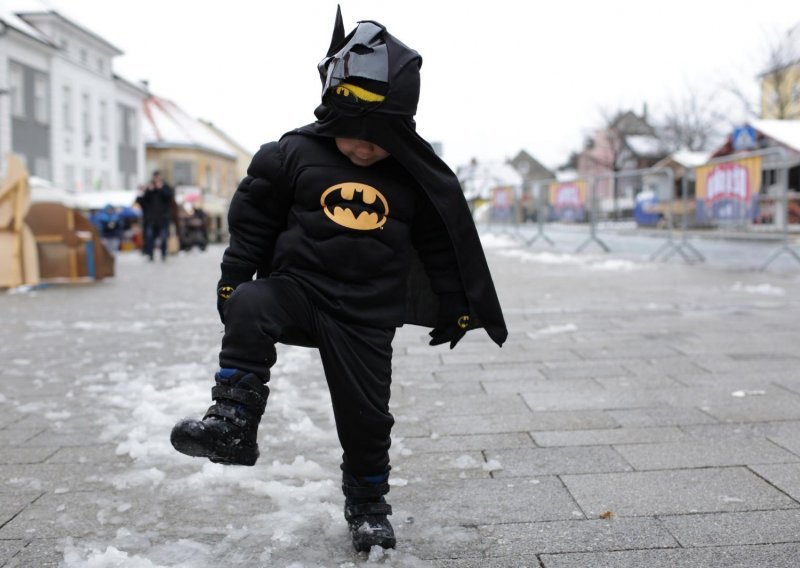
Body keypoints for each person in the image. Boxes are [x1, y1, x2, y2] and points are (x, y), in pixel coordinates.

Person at [170, 8, 507, 552]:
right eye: (354, 133)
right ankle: (232, 422)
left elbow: (441, 245)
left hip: (367, 315)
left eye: (382, 137)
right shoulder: (294, 154)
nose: (366, 147)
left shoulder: (411, 176)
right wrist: (233, 278)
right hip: (299, 292)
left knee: (368, 418)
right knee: (253, 303)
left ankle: (368, 503)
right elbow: (252, 221)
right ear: (332, 113)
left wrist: (457, 302)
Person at [136, 171, 174, 261]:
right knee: (149, 237)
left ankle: (163, 254)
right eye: (155, 178)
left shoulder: (165, 187)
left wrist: (160, 189)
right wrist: (147, 191)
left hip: (163, 218)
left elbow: (170, 198)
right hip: (151, 219)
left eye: (158, 177)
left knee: (163, 237)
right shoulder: (150, 188)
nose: (157, 180)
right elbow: (141, 201)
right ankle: (150, 254)